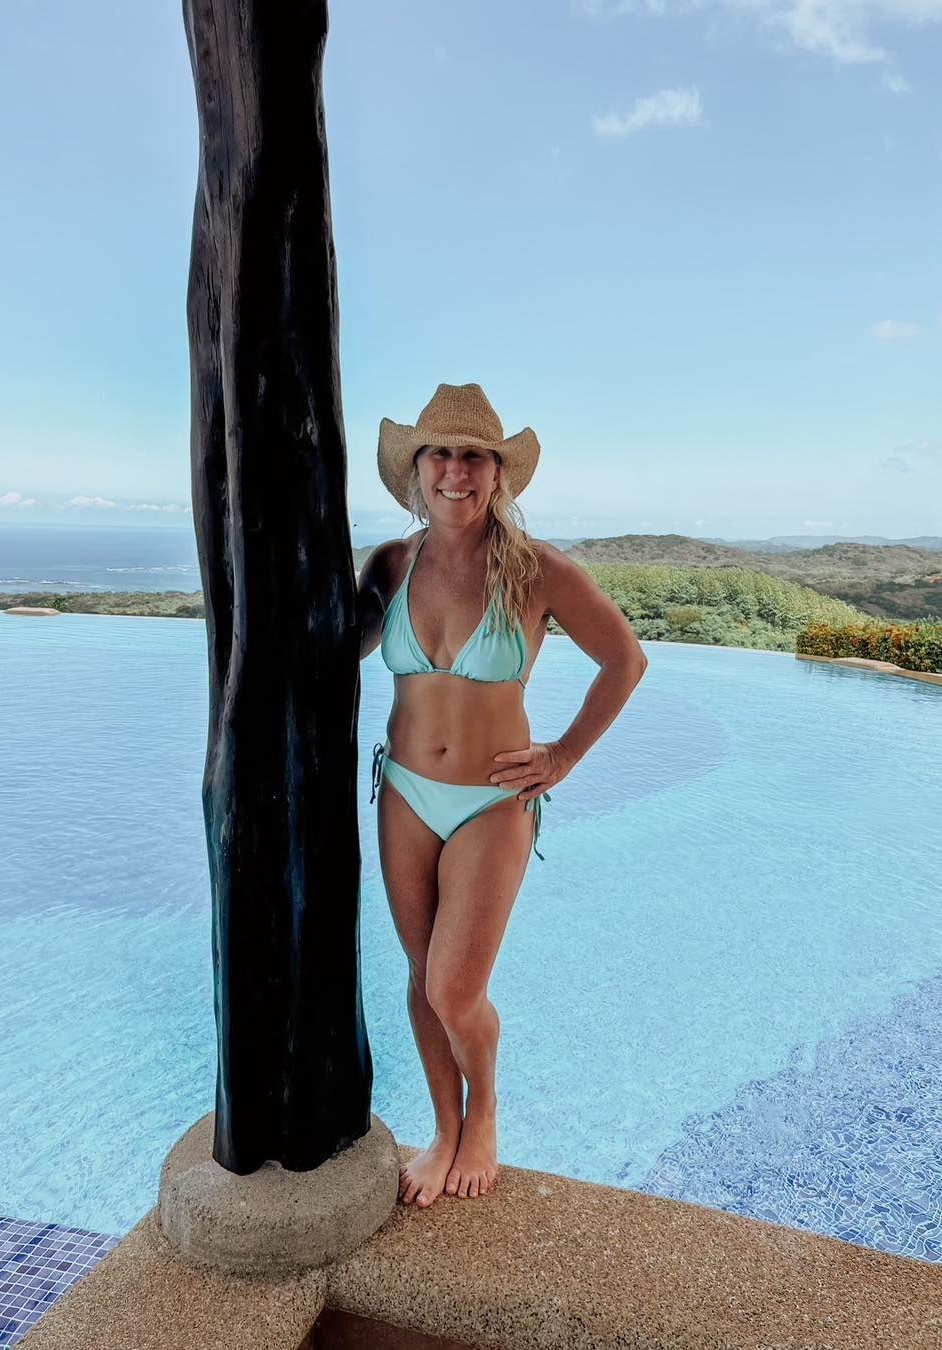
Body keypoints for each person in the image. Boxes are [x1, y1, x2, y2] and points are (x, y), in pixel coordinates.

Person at [357, 383, 648, 1209]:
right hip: (405, 792)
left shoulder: (539, 570)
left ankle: (483, 1112)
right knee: (422, 978)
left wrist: (562, 756)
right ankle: (443, 1129)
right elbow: (328, 652)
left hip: (492, 800)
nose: (456, 471)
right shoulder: (388, 564)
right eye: (439, 455)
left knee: (455, 987)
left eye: (474, 457)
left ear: (499, 475)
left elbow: (624, 662)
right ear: (417, 472)